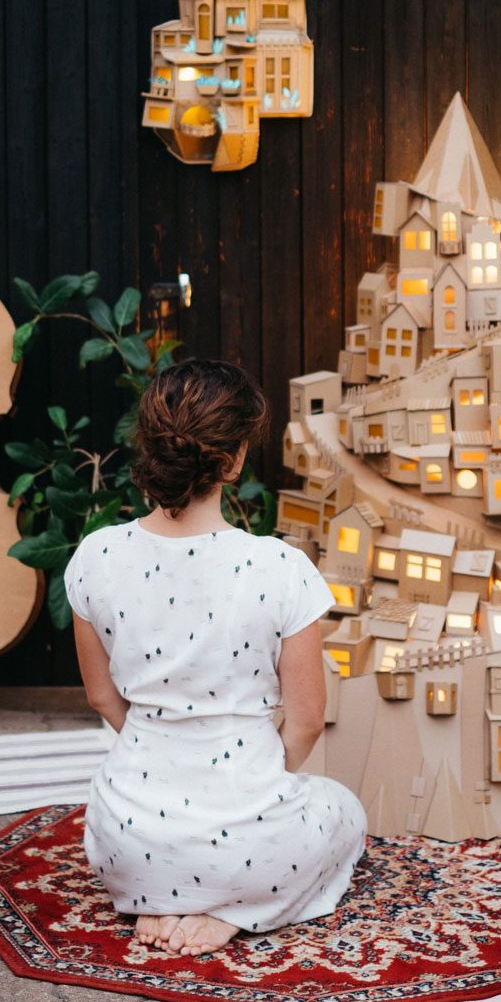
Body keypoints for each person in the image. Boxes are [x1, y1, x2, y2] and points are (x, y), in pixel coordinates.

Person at [64, 358, 366, 959]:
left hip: (127, 848)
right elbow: (306, 719)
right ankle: (236, 910)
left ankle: (169, 895)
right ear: (233, 460)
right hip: (251, 845)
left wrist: (161, 748)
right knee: (344, 811)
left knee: (163, 835)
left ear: (150, 446)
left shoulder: (96, 556)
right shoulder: (280, 568)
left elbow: (101, 697)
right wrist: (247, 791)